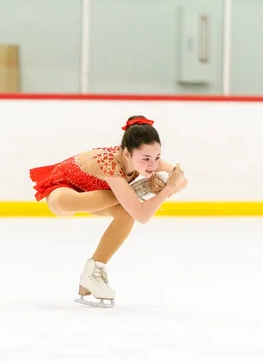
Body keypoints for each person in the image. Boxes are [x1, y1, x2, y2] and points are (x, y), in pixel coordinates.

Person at [29, 115, 188, 307]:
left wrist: (164, 187)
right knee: (77, 202)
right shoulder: (110, 164)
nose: (152, 165)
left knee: (125, 214)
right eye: (146, 158)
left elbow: (181, 179)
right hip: (65, 191)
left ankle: (93, 271)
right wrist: (164, 189)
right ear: (127, 154)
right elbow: (143, 215)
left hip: (97, 197)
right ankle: (135, 191)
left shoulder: (147, 161)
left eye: (157, 157)